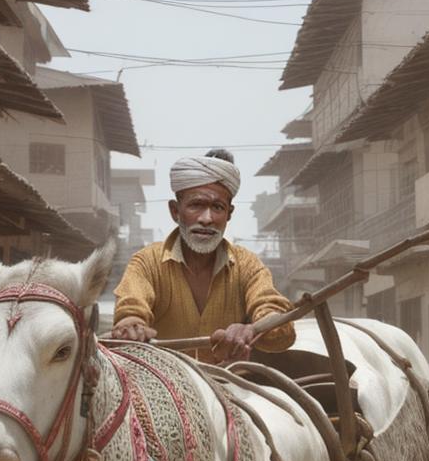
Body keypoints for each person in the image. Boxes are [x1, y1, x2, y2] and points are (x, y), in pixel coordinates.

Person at [111, 148, 294, 362]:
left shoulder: (248, 265)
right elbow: (131, 308)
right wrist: (132, 325)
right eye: (196, 205)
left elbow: (278, 324)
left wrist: (255, 328)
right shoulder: (146, 262)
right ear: (175, 211)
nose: (207, 219)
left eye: (217, 207)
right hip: (164, 387)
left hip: (230, 385)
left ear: (229, 214)